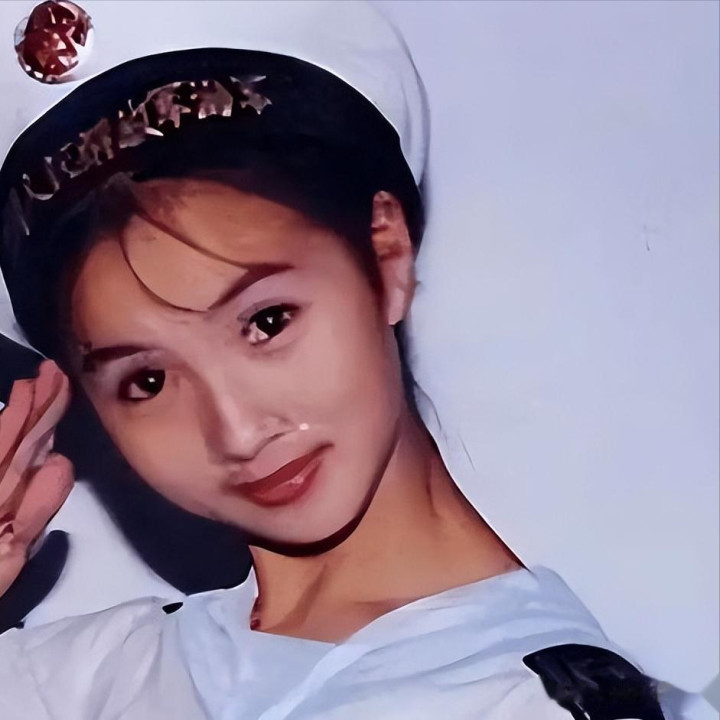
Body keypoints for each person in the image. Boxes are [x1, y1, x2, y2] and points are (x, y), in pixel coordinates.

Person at [0, 1, 705, 718]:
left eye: (267, 322)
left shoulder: (541, 703)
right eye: (147, 381)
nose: (237, 431)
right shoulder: (77, 680)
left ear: (386, 255)